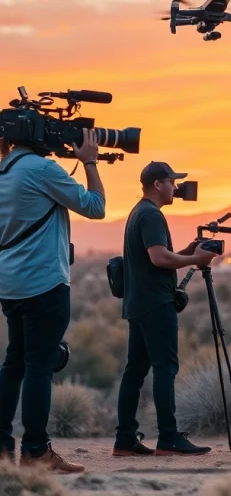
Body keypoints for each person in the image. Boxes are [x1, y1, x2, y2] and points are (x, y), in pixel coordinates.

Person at [0, 131, 105, 473]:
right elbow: (95, 207)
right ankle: (35, 452)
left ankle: (3, 451)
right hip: (44, 282)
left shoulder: (5, 169)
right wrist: (89, 161)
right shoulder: (40, 169)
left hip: (10, 284)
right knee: (38, 366)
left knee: (14, 363)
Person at [112, 162, 219, 457]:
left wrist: (187, 251)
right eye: (172, 182)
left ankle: (124, 439)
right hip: (156, 303)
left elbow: (156, 258)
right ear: (158, 184)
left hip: (138, 302)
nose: (176, 187)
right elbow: (159, 259)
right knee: (165, 368)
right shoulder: (151, 214)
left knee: (135, 371)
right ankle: (168, 438)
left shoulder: (139, 212)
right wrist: (195, 258)